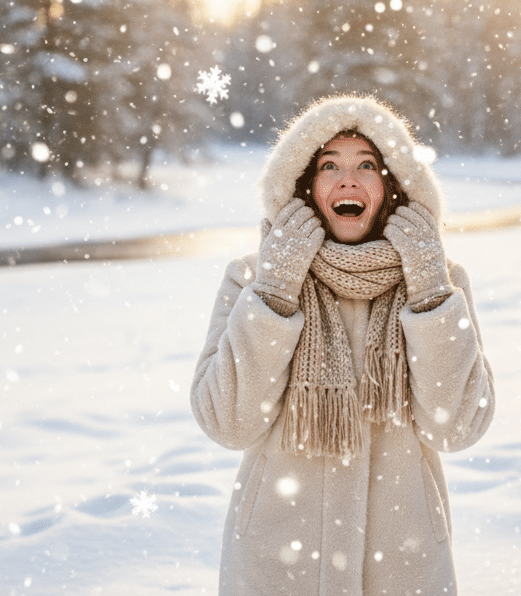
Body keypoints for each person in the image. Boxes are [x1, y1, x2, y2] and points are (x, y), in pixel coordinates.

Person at [190, 95, 495, 595]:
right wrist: (274, 290)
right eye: (328, 164)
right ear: (306, 186)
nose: (347, 180)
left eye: (367, 165)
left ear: (392, 185)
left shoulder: (441, 281)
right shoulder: (252, 278)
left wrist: (430, 293)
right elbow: (228, 422)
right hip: (276, 567)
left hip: (403, 568)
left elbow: (456, 427)